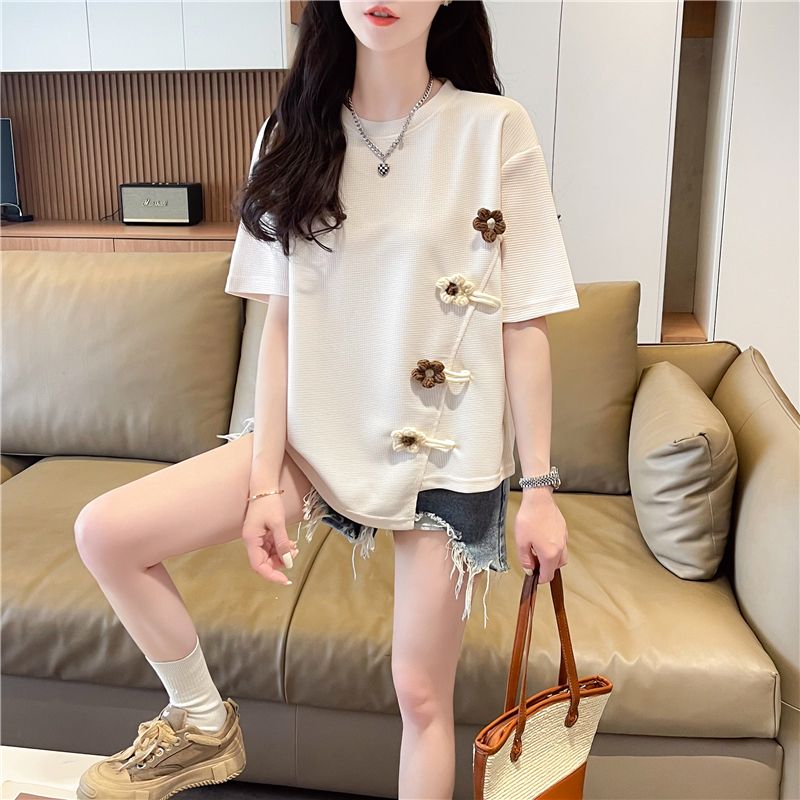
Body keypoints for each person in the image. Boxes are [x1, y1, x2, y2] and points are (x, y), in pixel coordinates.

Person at [74, 2, 576, 798]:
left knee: (421, 695)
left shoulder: (493, 128)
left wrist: (540, 489)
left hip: (443, 455)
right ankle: (200, 719)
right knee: (106, 532)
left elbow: (524, 322)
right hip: (317, 436)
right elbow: (279, 326)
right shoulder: (292, 133)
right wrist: (262, 483)